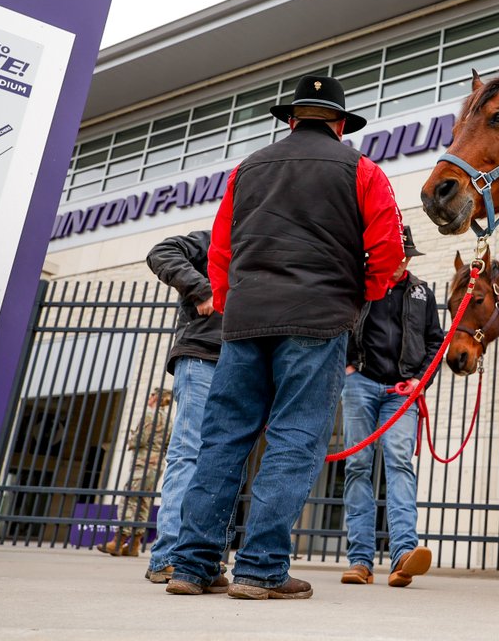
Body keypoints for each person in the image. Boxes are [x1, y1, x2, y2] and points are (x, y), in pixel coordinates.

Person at [165, 74, 404, 600]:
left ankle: (193, 566)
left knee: (223, 439)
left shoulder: (247, 168)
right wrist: (357, 294)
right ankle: (261, 569)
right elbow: (388, 252)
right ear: (340, 125)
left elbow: (220, 250)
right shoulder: (363, 170)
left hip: (246, 320)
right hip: (318, 319)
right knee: (295, 438)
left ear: (292, 119)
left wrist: (231, 302)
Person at [340, 225, 445, 588]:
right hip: (361, 384)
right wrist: (347, 366)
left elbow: (436, 341)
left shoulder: (421, 292)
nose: (401, 262)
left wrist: (420, 381)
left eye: (406, 257)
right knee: (357, 465)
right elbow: (338, 324)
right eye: (395, 256)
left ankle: (403, 555)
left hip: (402, 392)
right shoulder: (361, 287)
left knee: (400, 463)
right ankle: (360, 560)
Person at [143, 230, 226, 587]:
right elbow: (161, 251)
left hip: (242, 361)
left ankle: (202, 559)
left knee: (223, 462)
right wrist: (201, 289)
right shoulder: (215, 237)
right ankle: (169, 556)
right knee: (189, 453)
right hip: (203, 355)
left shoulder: (268, 240)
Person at [97, 386, 172, 557]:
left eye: (152, 394)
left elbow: (139, 440)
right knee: (144, 500)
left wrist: (131, 439)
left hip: (143, 462)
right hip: (157, 464)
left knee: (130, 497)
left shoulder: (149, 415)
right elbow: (168, 445)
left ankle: (118, 541)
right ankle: (134, 545)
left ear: (156, 398)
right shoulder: (169, 420)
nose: (149, 397)